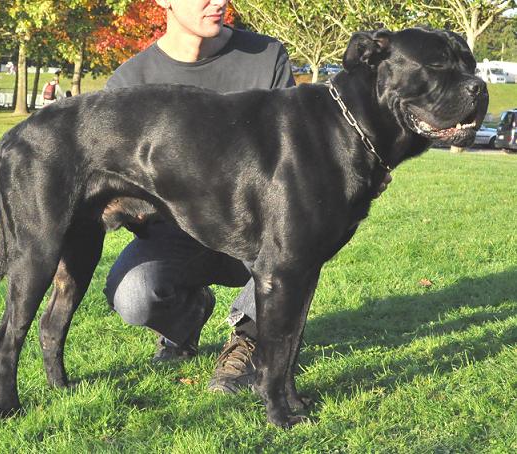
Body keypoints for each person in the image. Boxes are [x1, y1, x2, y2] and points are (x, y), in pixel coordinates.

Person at [104, 0, 391, 394]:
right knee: (133, 294)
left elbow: (300, 153)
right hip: (178, 228)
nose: (219, 2)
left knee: (287, 256)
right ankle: (188, 314)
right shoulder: (130, 81)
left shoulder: (265, 56)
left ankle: (248, 338)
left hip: (260, 223)